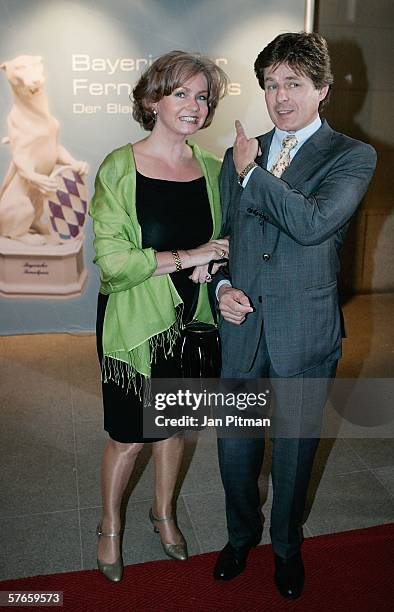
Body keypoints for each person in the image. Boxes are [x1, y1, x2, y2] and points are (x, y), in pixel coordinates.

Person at [212, 32, 376, 599]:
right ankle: (239, 537)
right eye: (271, 84)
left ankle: (285, 548)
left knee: (294, 452)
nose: (280, 97)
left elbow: (312, 224)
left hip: (304, 334)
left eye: (295, 84)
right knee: (234, 450)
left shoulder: (352, 155)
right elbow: (226, 240)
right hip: (241, 332)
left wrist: (253, 174)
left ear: (322, 90)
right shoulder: (241, 152)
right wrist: (222, 285)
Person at [89, 50, 228, 582]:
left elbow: (232, 241)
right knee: (129, 434)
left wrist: (212, 265)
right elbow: (115, 262)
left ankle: (163, 513)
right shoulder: (119, 168)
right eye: (181, 93)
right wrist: (190, 257)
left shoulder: (214, 171)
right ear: (152, 100)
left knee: (174, 427)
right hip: (133, 320)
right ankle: (109, 524)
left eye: (202, 96)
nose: (194, 105)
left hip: (191, 320)